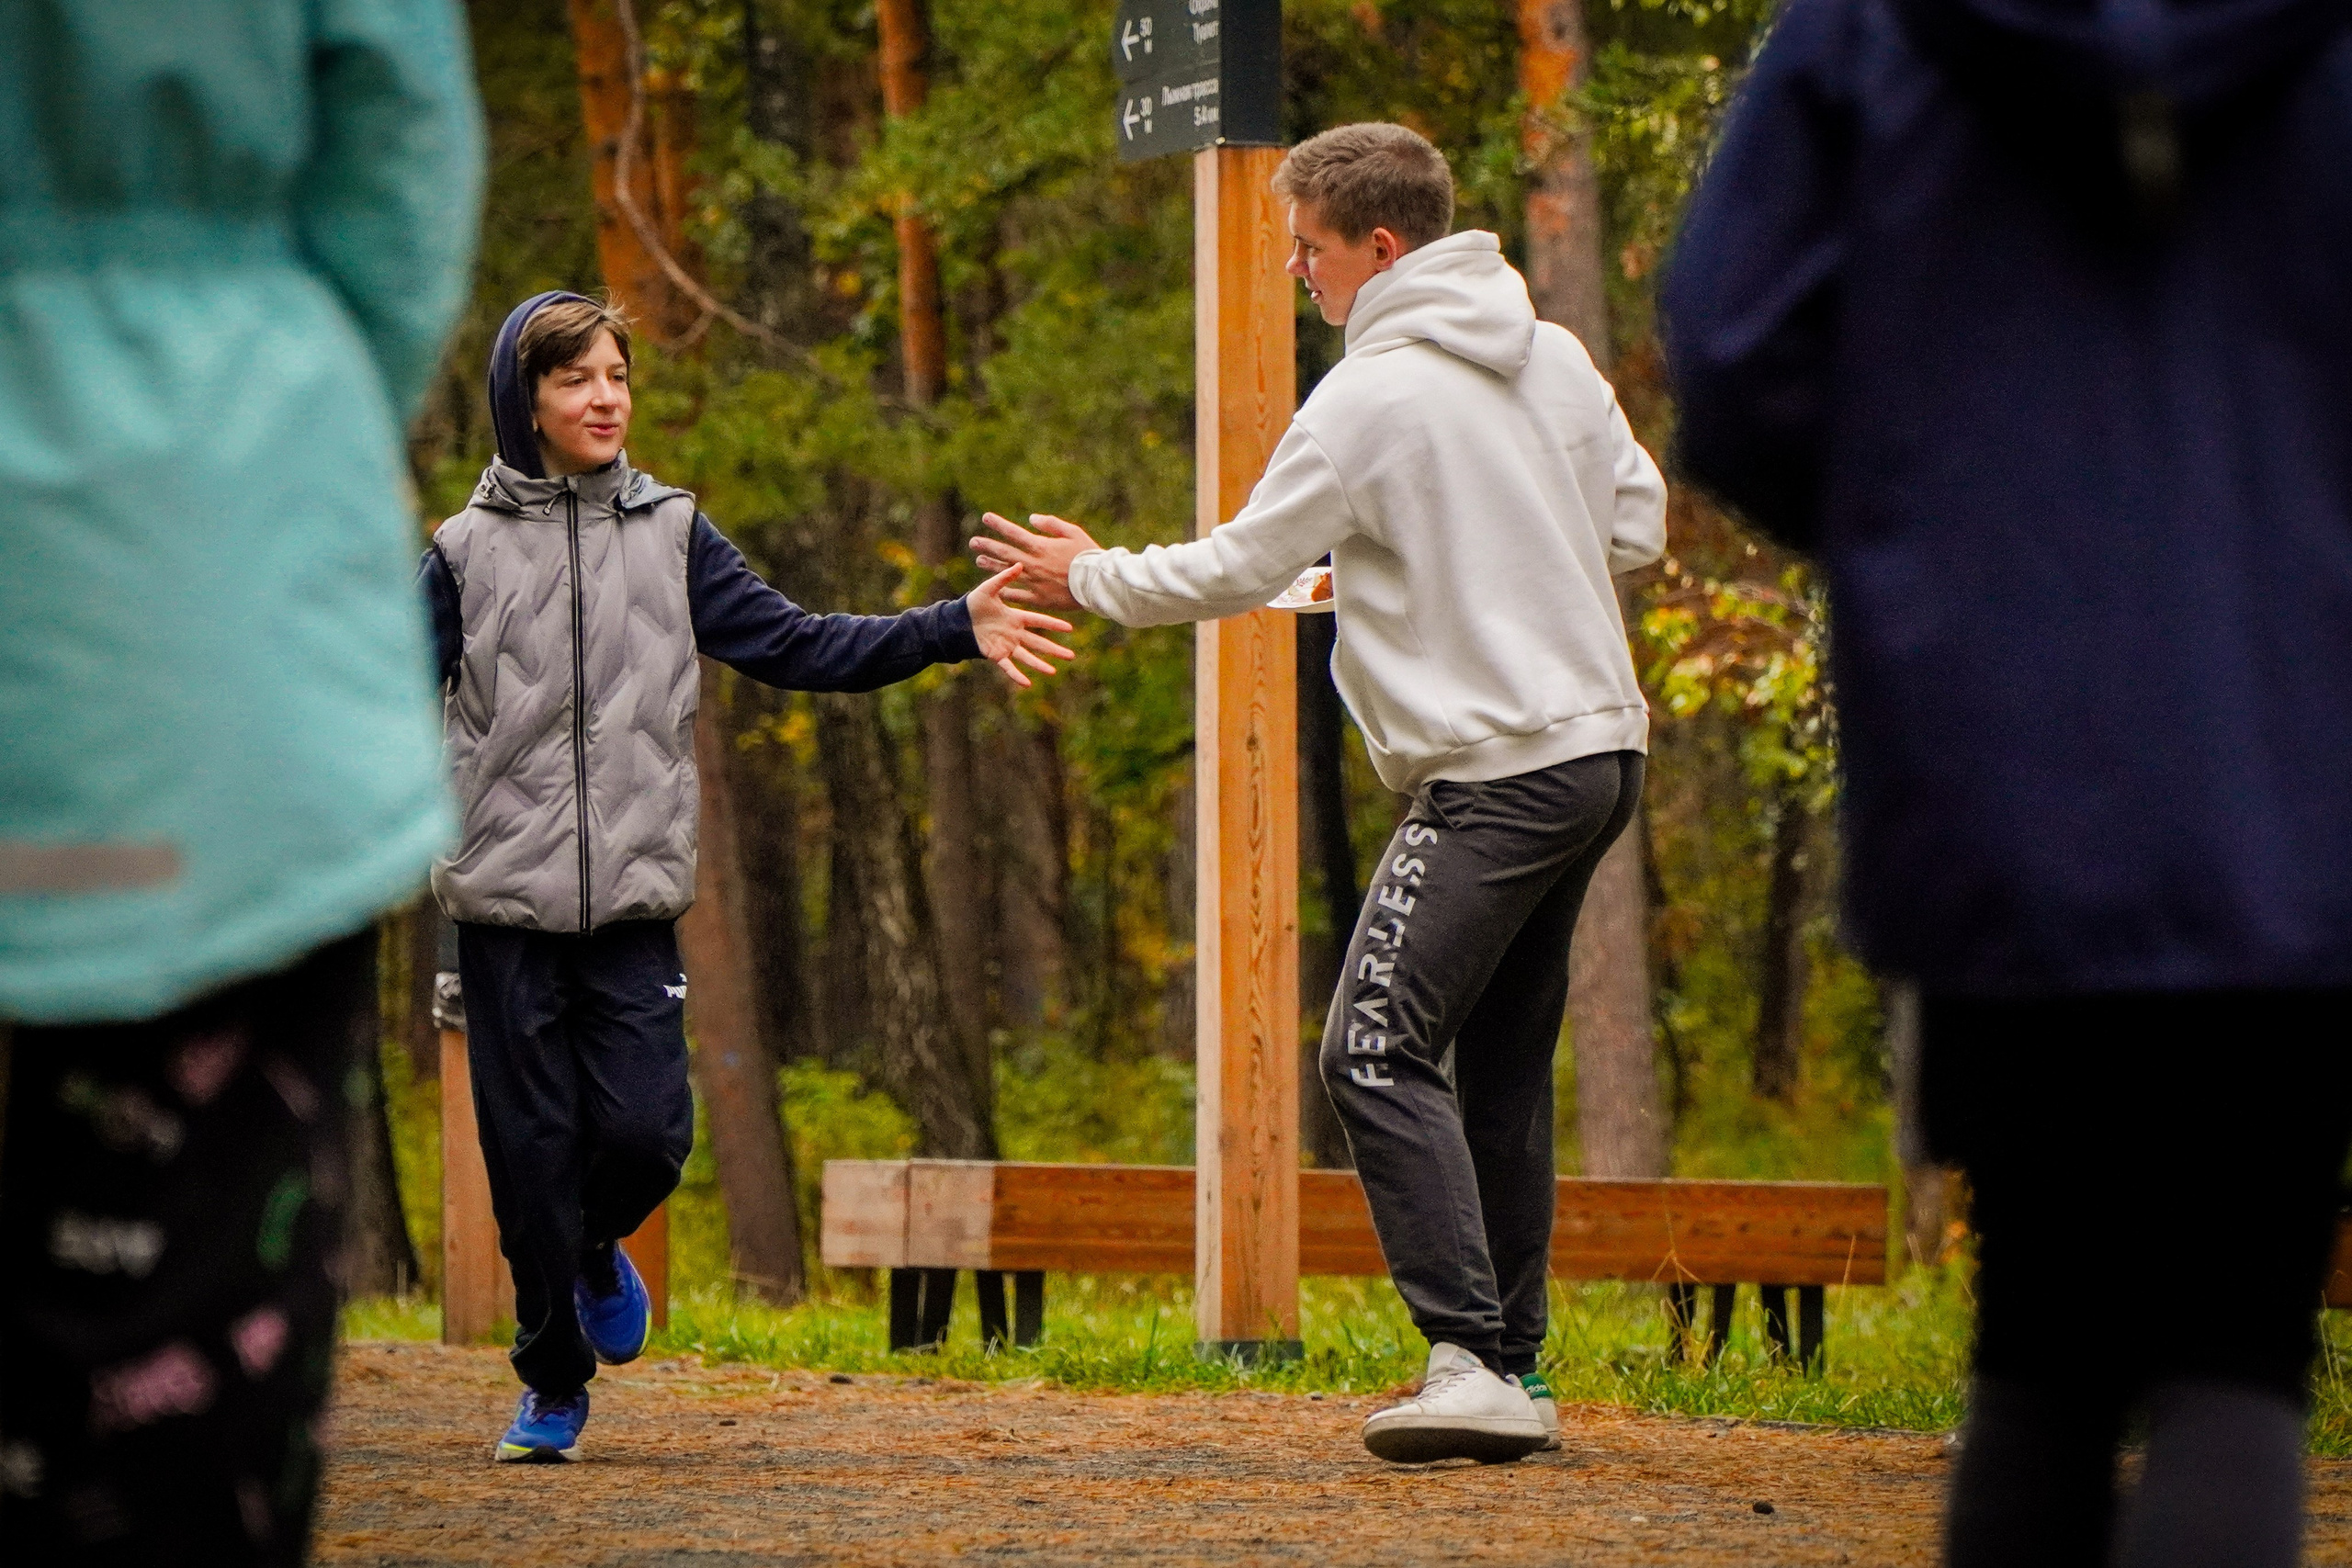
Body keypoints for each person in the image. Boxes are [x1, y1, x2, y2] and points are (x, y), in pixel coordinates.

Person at [1659, 0, 2352, 1561]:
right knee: (2240, 1347)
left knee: (2039, 1337)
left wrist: (1922, 546)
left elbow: (1734, 342)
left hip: (1999, 764)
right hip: (2301, 771)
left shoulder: (1868, 35)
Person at [972, 123, 1667, 1465]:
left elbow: (1235, 564)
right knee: (1502, 1070)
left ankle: (1466, 1354)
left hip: (1494, 770)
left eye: (1310, 247)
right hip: (1598, 754)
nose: (1299, 268)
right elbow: (1630, 530)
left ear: (1380, 249)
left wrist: (1091, 575)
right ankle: (1513, 1365)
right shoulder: (1556, 357)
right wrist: (1450, 564)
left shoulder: (1369, 397)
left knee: (1370, 1045)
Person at [422, 291, 1073, 1463]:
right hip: (503, 913)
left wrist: (948, 626)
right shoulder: (462, 556)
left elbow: (798, 643)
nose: (607, 397)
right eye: (577, 380)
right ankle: (552, 1385)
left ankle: (587, 1250)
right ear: (524, 404)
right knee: (526, 1169)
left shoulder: (672, 534)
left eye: (617, 375)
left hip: (630, 908)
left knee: (643, 1140)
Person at [0, 2, 484, 1561]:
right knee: (182, 1323)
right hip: (196, 635)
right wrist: (280, 404)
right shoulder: (469, 534)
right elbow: (396, 154)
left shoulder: (668, 530)